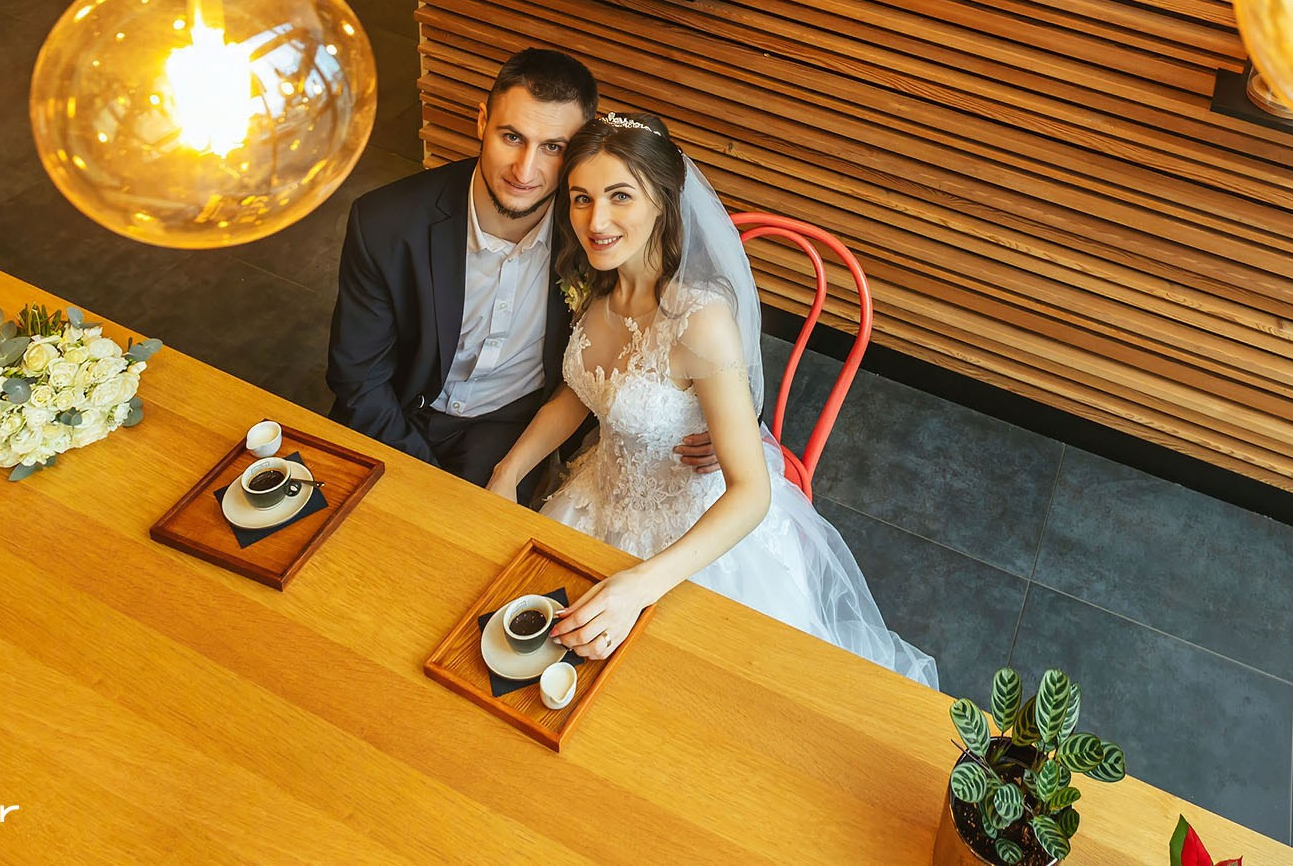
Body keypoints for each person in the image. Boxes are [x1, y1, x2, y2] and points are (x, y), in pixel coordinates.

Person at [485, 111, 936, 686]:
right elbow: (580, 393)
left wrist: (643, 583)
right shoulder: (599, 280)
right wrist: (508, 471)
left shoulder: (699, 319)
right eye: (580, 198)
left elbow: (750, 493)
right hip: (600, 497)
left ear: (662, 203)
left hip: (698, 533)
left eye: (620, 196)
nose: (595, 221)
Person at [326, 48, 718, 486]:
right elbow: (358, 377)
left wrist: (722, 418)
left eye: (553, 147)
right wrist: (428, 484)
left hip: (507, 431)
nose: (525, 170)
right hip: (392, 412)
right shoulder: (385, 222)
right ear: (481, 123)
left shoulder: (599, 233)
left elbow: (697, 304)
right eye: (511, 137)